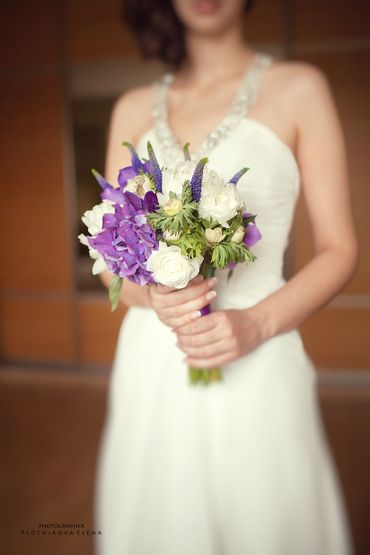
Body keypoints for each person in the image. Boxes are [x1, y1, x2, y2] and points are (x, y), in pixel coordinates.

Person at [94, 1, 358, 553]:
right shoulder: (131, 107)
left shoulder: (299, 88)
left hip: (260, 349)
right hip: (153, 357)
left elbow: (339, 248)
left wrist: (258, 325)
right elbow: (108, 257)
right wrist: (152, 298)